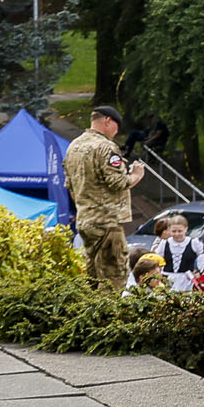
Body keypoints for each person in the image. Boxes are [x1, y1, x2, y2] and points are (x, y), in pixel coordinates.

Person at [63, 104, 147, 291]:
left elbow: (71, 187)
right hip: (107, 221)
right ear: (108, 121)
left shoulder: (74, 146)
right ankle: (107, 318)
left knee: (92, 276)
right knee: (113, 276)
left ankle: (89, 315)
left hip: (85, 219)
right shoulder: (106, 147)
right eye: (117, 126)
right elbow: (117, 182)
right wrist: (136, 175)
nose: (117, 132)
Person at [151, 214, 204, 293]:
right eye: (174, 231)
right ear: (169, 230)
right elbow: (157, 261)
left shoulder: (194, 243)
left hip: (187, 281)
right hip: (168, 280)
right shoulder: (164, 243)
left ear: (186, 229)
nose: (177, 234)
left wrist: (198, 271)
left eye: (180, 231)